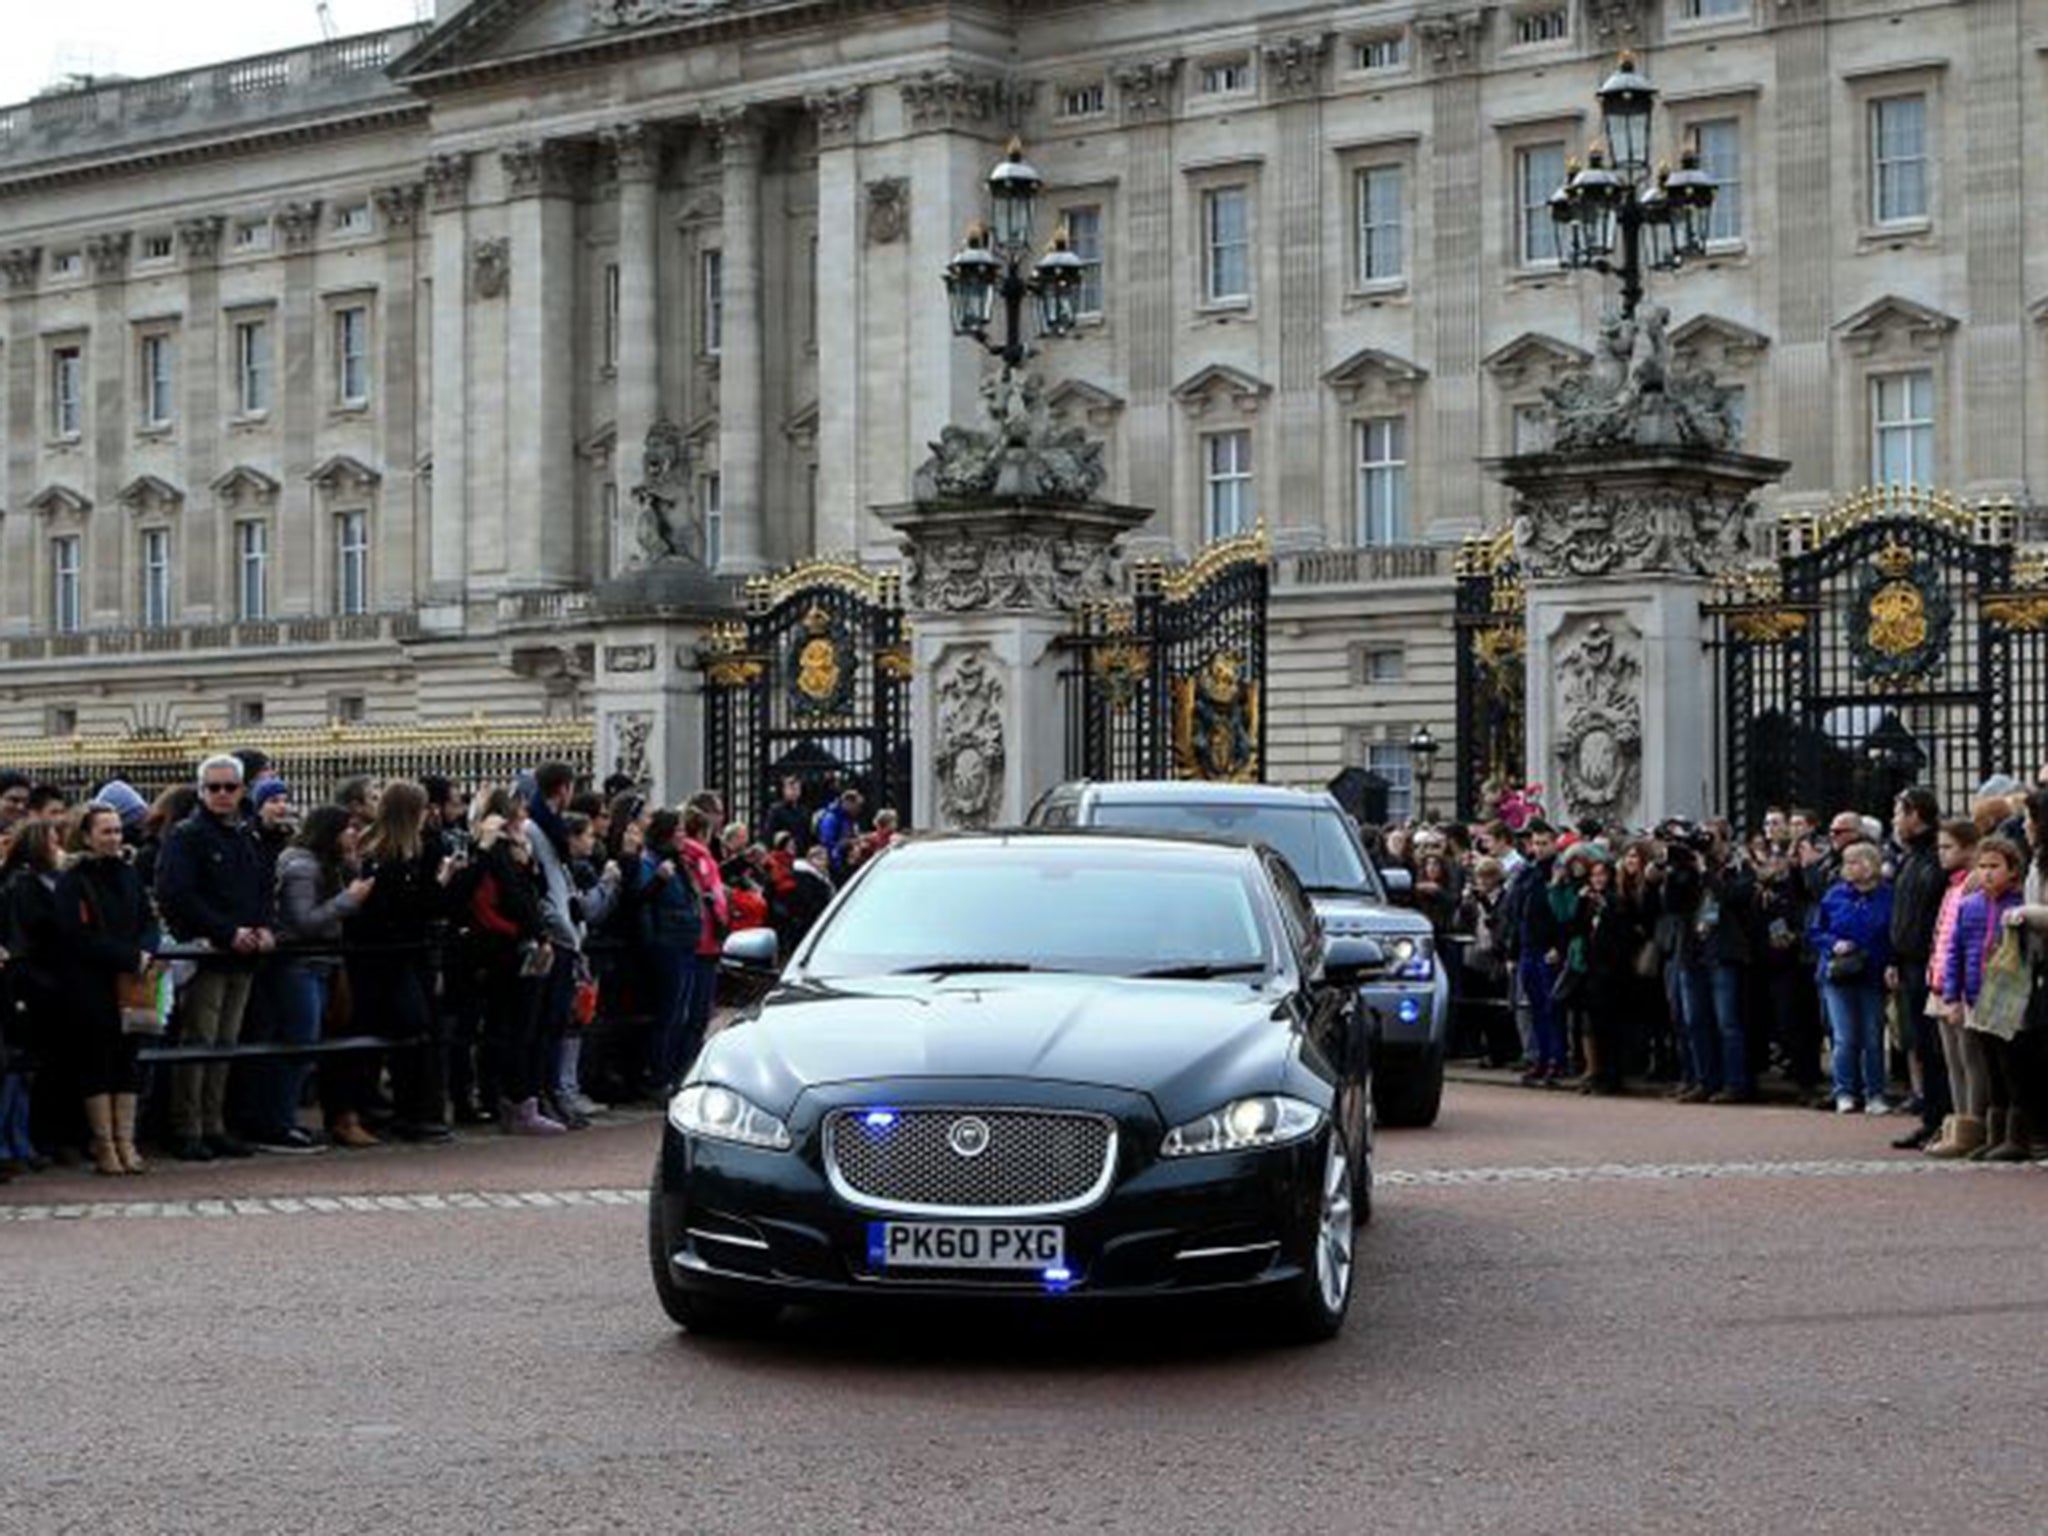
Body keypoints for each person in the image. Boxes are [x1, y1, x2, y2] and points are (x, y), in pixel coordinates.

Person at [153, 754, 275, 1162]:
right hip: (207, 953)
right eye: (213, 788)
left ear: (242, 791)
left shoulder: (246, 836)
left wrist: (262, 927)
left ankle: (214, 1122)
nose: (222, 795)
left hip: (242, 952)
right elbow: (177, 894)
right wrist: (226, 932)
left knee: (225, 1042)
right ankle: (187, 1126)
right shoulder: (186, 835)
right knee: (200, 1040)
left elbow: (261, 888)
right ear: (201, 791)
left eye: (230, 787)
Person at [53, 805, 161, 1175]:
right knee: (97, 1062)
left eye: (117, 831)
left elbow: (149, 918)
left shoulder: (129, 873)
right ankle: (105, 1144)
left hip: (131, 980)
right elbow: (74, 936)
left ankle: (126, 1141)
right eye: (106, 832)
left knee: (128, 1060)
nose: (115, 838)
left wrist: (146, 950)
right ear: (86, 836)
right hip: (90, 983)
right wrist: (129, 956)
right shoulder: (73, 879)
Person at [344, 780, 452, 1143]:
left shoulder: (408, 851)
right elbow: (404, 908)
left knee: (413, 1030)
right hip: (383, 958)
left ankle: (410, 1109)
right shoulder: (382, 855)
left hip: (403, 955)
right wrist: (439, 884)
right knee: (408, 1025)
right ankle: (396, 1109)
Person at [264, 806, 372, 1154]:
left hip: (322, 962)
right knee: (299, 1042)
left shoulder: (330, 864)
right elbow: (304, 922)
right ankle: (279, 1121)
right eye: (348, 829)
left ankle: (285, 1119)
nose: (354, 835)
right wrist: (348, 900)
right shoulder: (302, 867)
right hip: (300, 962)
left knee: (309, 1043)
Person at [466, 791, 559, 1134]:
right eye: (518, 815)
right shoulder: (491, 853)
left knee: (523, 1025)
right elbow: (511, 899)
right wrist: (535, 934)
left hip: (519, 942)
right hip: (503, 948)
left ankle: (517, 1098)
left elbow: (538, 890)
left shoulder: (514, 852)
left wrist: (529, 860)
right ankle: (512, 1100)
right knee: (510, 1027)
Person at [1946, 836, 2028, 1160]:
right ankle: (1993, 1135)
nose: (1987, 873)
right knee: (1989, 1067)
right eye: (1982, 866)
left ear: (2012, 870)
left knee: (2011, 1069)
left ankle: (2016, 1135)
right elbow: (1956, 951)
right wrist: (1953, 996)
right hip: (1977, 998)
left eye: (1995, 866)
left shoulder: (2019, 904)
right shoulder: (1969, 906)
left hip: (2009, 1000)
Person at [1810, 841, 1895, 1114]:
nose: (1846, 868)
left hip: (1872, 973)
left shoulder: (1888, 896)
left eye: (1853, 862)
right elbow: (1815, 931)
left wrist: (1892, 963)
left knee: (1873, 1037)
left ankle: (1876, 1094)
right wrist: (1833, 943)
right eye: (1846, 862)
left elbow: (1894, 934)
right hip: (1838, 974)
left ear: (1870, 865)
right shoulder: (1835, 895)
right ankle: (1844, 1091)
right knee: (1844, 1036)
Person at [0, 822, 64, 1176]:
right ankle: (11, 1143)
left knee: (24, 1070)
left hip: (34, 979)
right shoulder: (24, 885)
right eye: (54, 841)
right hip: (28, 982)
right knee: (16, 1069)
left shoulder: (34, 882)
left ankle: (19, 1141)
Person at [1886, 787, 1949, 1149]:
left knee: (1934, 1046)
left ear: (1915, 815)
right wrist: (1894, 957)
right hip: (1908, 962)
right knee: (1920, 1046)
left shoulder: (1933, 858)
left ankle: (1941, 1117)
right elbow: (1901, 914)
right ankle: (1930, 1116)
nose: (1895, 821)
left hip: (1931, 963)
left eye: (1899, 813)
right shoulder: (1911, 858)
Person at [637, 809, 704, 1093]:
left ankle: (674, 1074)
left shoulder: (676, 861)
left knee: (681, 1013)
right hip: (668, 943)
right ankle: (660, 1075)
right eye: (677, 830)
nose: (682, 835)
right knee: (669, 1014)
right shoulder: (651, 863)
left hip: (685, 941)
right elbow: (643, 899)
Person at [816, 788, 864, 880]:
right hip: (834, 864)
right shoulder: (831, 818)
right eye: (856, 805)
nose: (858, 809)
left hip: (846, 860)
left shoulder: (849, 818)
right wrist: (846, 843)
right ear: (848, 803)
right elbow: (826, 842)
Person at [766, 775, 811, 854]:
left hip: (801, 853)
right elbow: (769, 834)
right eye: (791, 789)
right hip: (782, 853)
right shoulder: (776, 810)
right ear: (784, 790)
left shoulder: (804, 810)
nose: (794, 792)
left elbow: (807, 835)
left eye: (797, 789)